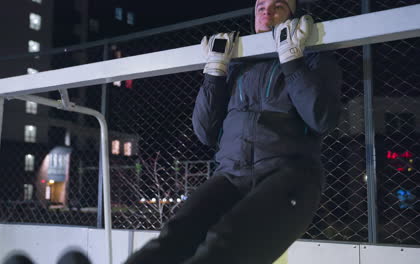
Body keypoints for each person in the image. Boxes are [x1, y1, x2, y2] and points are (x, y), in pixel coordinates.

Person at [124, 0, 342, 263]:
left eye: (278, 6)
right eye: (261, 6)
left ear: (293, 15)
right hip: (231, 175)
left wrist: (292, 61)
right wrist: (214, 74)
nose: (267, 12)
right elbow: (204, 132)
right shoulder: (237, 64)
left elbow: (323, 119)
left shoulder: (313, 58)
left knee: (224, 244)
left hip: (289, 173)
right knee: (175, 235)